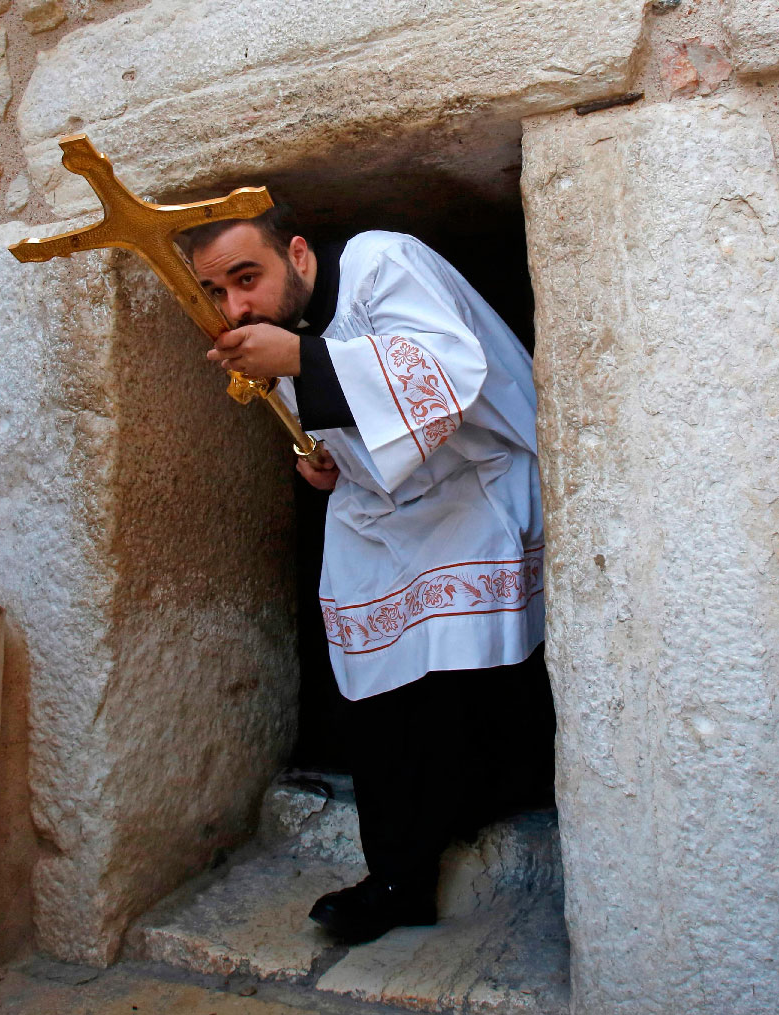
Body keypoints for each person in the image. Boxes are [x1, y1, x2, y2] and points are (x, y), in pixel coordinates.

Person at [184, 206, 550, 945]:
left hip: (471, 490)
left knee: (462, 682)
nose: (236, 306)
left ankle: (450, 835)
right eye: (218, 292)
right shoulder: (278, 336)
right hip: (382, 513)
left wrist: (297, 363)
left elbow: (446, 375)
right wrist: (318, 459)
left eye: (246, 278)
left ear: (296, 252)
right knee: (373, 688)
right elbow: (336, 430)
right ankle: (397, 878)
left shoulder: (383, 261)